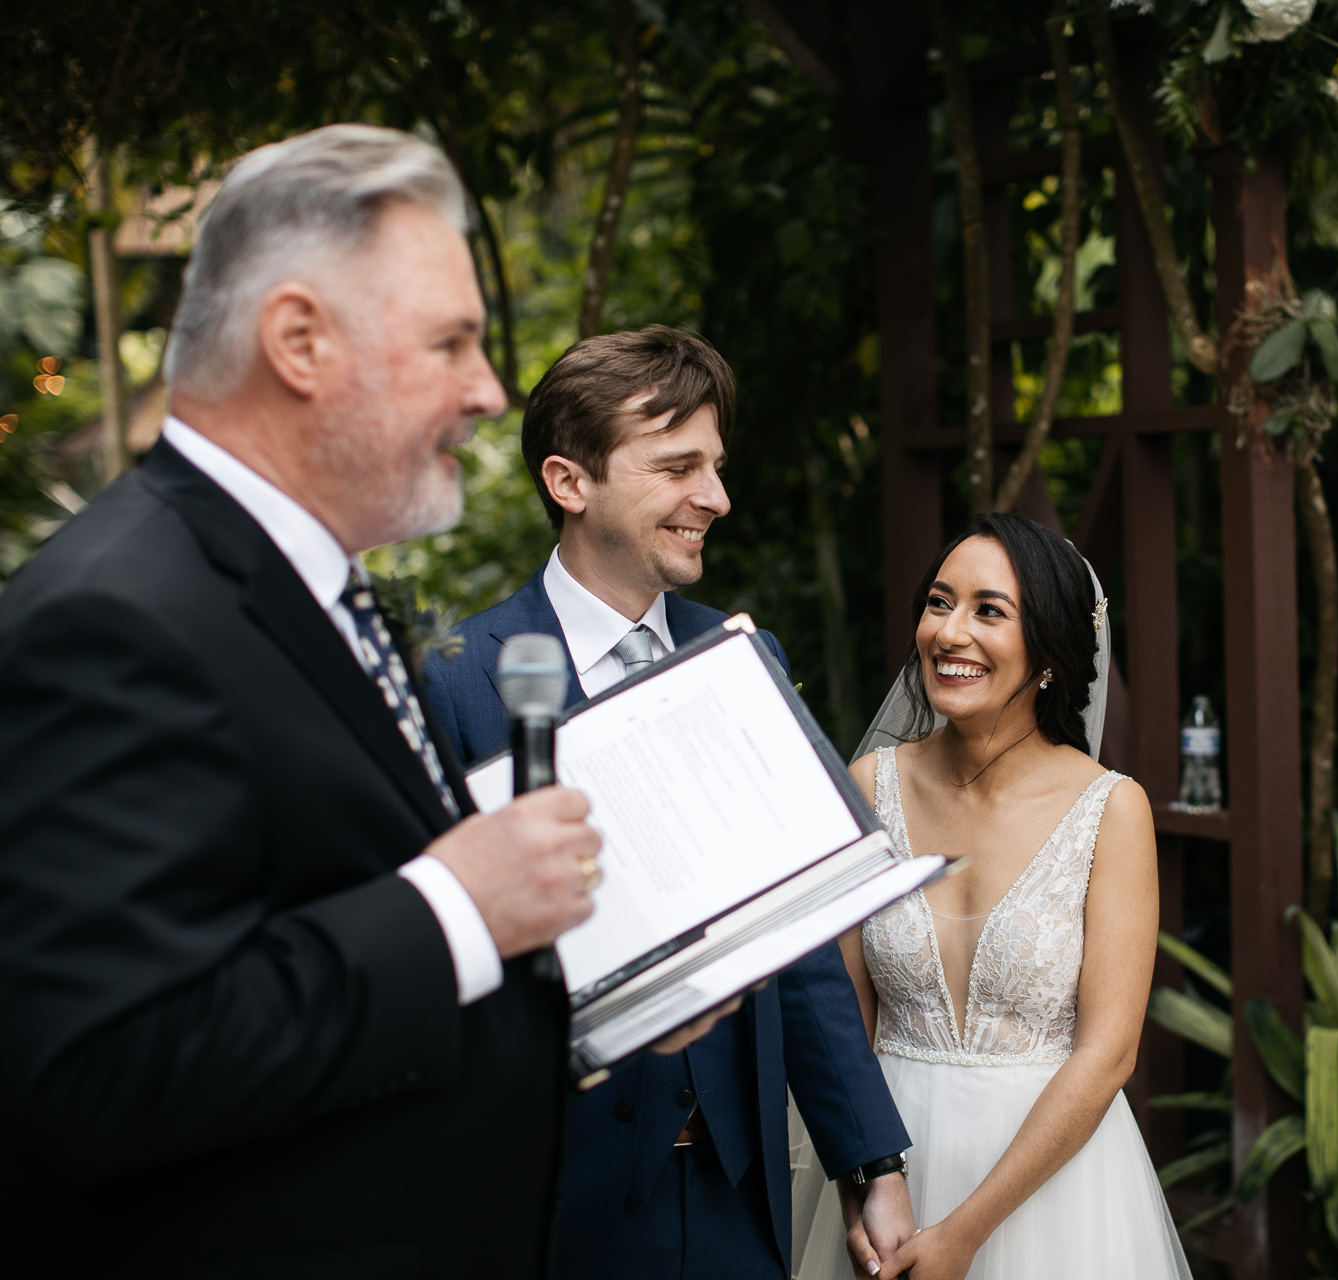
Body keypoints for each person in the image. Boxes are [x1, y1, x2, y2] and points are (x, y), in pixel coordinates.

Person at [0, 124, 649, 1275]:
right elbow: (103, 1063)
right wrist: (457, 903)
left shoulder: (309, 580)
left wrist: (596, 995)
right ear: (299, 340)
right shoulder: (110, 618)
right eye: (451, 342)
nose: (489, 391)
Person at [419, 326, 912, 1280]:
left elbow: (799, 936)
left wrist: (871, 1162)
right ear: (570, 482)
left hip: (738, 1196)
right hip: (550, 1204)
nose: (716, 499)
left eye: (716, 467)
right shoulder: (461, 682)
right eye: (678, 467)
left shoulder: (742, 660)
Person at [802, 512, 1189, 1280]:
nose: (950, 633)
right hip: (885, 1169)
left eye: (989, 611)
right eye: (939, 603)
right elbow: (840, 1021)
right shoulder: (871, 786)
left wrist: (965, 1232)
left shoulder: (1111, 809)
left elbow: (1107, 1054)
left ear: (1049, 651)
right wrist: (860, 1191)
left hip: (1051, 1190)